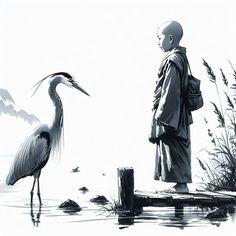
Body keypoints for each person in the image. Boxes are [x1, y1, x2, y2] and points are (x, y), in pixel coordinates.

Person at [149, 20, 193, 193]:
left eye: (159, 38)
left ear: (171, 38)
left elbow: (170, 90)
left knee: (174, 144)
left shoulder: (173, 60)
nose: (157, 42)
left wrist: (163, 116)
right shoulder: (179, 57)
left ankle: (181, 185)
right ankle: (179, 184)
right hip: (178, 112)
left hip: (172, 113)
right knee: (176, 145)